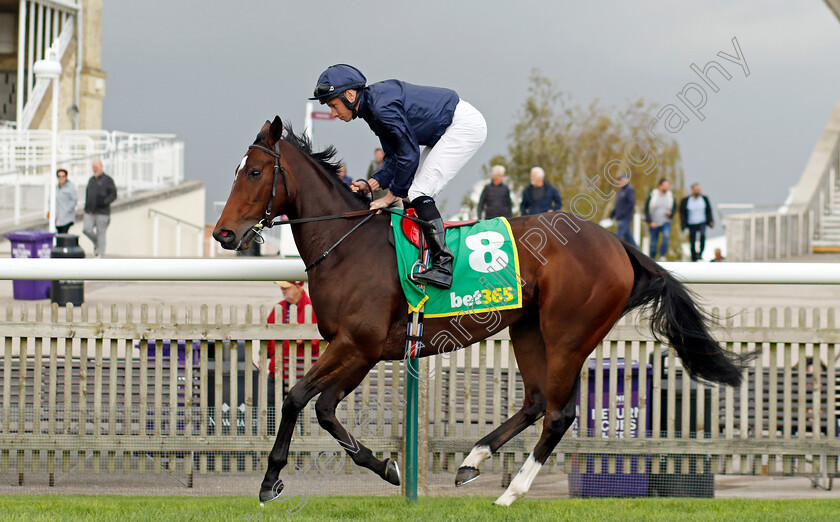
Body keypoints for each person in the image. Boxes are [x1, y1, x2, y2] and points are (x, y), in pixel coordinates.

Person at [311, 64, 487, 290]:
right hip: (447, 128)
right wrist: (371, 183)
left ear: (350, 95)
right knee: (412, 190)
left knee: (417, 191)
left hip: (463, 126)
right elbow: (394, 156)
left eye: (333, 105)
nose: (333, 113)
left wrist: (390, 196)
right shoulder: (371, 108)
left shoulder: (380, 108)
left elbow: (408, 153)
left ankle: (443, 266)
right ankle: (418, 255)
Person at [266, 281, 320, 385]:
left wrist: (305, 340)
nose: (283, 290)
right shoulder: (279, 307)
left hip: (300, 372)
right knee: (271, 401)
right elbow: (268, 336)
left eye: (287, 287)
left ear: (298, 287)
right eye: (282, 287)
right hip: (277, 370)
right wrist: (264, 355)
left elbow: (322, 341)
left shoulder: (312, 309)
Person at [83, 159, 117, 257]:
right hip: (90, 211)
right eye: (93, 167)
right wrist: (85, 209)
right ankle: (98, 243)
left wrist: (104, 202)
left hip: (102, 212)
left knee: (101, 232)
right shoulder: (91, 180)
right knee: (86, 229)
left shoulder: (108, 180)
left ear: (101, 167)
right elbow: (87, 195)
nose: (95, 169)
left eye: (96, 167)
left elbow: (113, 194)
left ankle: (100, 254)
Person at [679, 183, 715, 262]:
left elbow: (708, 211)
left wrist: (711, 221)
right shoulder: (687, 200)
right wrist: (683, 224)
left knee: (702, 236)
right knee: (692, 240)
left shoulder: (704, 199)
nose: (698, 191)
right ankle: (694, 256)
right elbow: (682, 212)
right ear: (692, 190)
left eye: (699, 189)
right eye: (696, 189)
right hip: (691, 223)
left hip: (702, 221)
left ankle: (700, 253)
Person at [644, 178, 676, 261]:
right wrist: (650, 221)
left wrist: (671, 214)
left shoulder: (670, 196)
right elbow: (646, 208)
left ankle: (662, 256)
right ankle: (652, 259)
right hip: (654, 223)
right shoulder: (653, 195)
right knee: (654, 243)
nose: (667, 187)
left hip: (665, 222)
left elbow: (675, 207)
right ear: (660, 186)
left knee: (666, 237)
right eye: (666, 185)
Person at [610, 174, 636, 247]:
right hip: (620, 217)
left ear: (627, 180)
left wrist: (623, 212)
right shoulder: (621, 191)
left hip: (625, 217)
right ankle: (638, 252)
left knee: (619, 237)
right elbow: (619, 205)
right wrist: (613, 213)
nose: (619, 182)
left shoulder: (629, 190)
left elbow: (631, 203)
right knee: (628, 238)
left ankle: (615, 251)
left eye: (621, 180)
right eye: (619, 180)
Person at [55, 168, 78, 234]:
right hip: (57, 217)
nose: (61, 178)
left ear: (66, 177)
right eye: (59, 176)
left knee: (63, 235)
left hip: (67, 218)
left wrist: (67, 210)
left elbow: (74, 200)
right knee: (58, 235)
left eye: (63, 176)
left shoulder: (71, 187)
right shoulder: (55, 188)